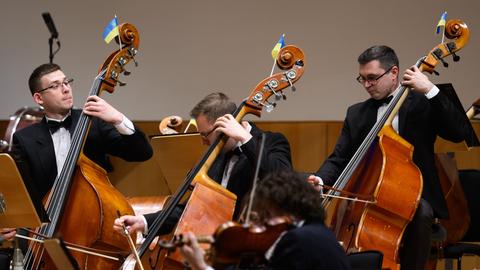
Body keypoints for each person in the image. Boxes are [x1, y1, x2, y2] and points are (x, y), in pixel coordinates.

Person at [308, 45, 470, 270]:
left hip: (417, 196)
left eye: (372, 78)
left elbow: (458, 132)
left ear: (394, 73)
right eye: (362, 78)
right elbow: (340, 157)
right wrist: (321, 180)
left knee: (420, 209)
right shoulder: (356, 113)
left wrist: (430, 89)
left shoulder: (423, 103)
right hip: (369, 198)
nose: (367, 85)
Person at [0, 63, 153, 244]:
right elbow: (17, 192)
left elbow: (142, 153)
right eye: (55, 86)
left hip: (92, 228)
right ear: (39, 98)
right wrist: (9, 221)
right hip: (46, 235)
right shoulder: (25, 139)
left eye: (66, 82)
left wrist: (119, 119)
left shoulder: (93, 123)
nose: (65, 89)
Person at [114, 92, 292, 235]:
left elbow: (283, 181)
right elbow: (192, 209)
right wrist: (144, 221)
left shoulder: (271, 142)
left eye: (205, 135)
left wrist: (245, 139)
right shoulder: (214, 157)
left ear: (225, 124)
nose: (203, 142)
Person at [179, 170, 351, 270]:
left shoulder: (300, 240)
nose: (260, 227)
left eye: (265, 216)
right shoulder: (316, 233)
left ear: (288, 211)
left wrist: (202, 266)